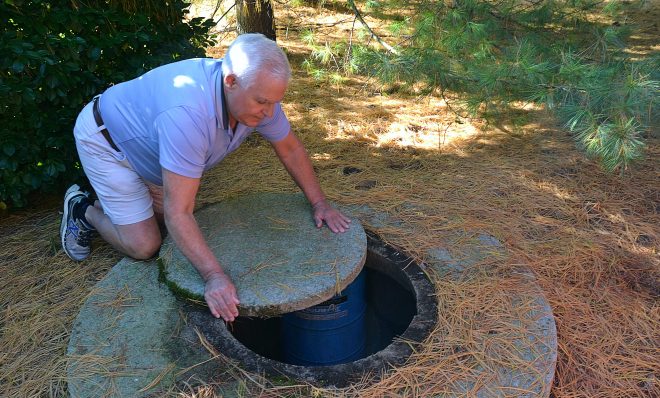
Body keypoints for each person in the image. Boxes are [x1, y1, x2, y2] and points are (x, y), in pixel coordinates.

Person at [60, 33, 351, 322]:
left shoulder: (257, 96)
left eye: (276, 102)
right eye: (262, 101)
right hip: (109, 144)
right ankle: (84, 210)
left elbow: (290, 149)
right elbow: (179, 212)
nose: (270, 113)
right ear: (230, 81)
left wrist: (320, 203)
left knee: (166, 229)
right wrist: (214, 276)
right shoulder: (187, 113)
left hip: (151, 147)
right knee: (145, 245)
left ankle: (117, 205)